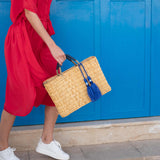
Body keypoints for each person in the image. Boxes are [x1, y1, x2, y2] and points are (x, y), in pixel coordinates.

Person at [0, 0, 70, 159]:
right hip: (23, 38)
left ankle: (46, 141)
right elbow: (29, 12)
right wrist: (52, 45)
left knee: (54, 87)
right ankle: (2, 148)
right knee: (17, 93)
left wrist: (48, 43)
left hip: (40, 38)